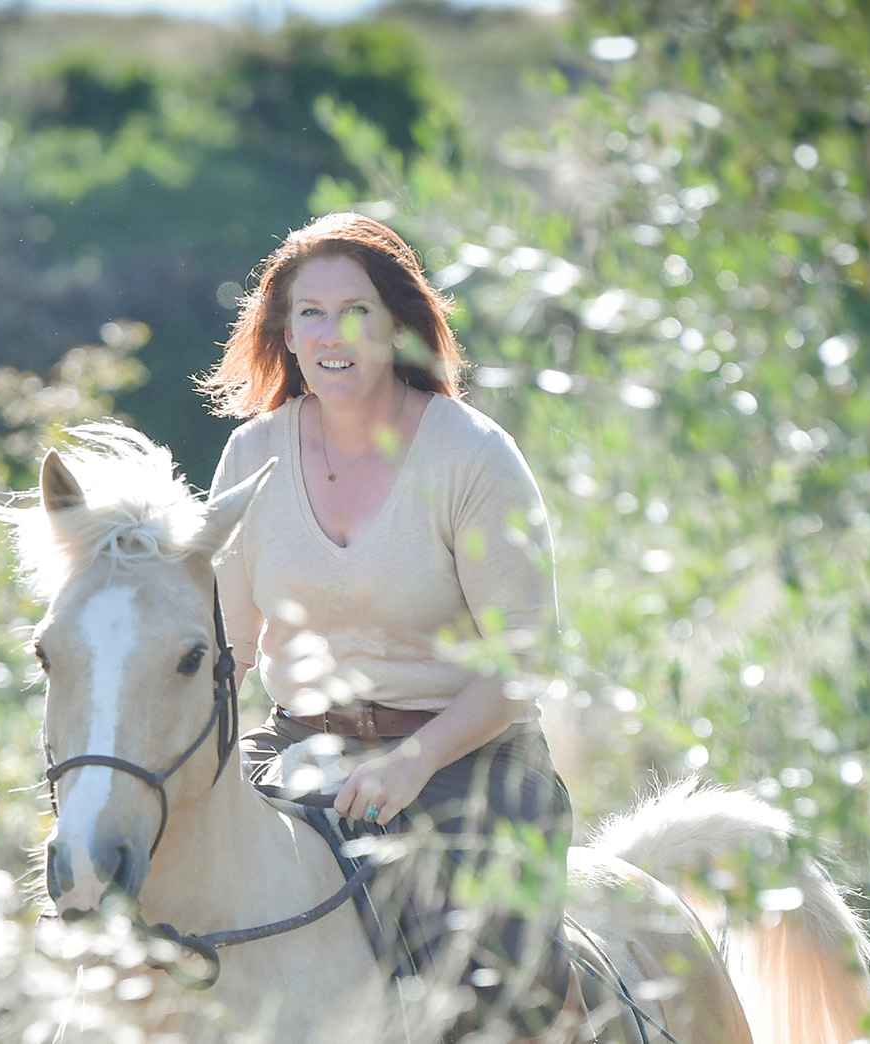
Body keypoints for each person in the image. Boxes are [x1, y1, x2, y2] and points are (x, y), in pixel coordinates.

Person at [200, 212, 574, 1040]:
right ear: (286, 333)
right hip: (298, 749)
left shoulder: (472, 456)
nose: (332, 334)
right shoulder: (250, 457)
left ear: (397, 325)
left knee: (500, 1004)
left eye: (356, 311)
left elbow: (521, 664)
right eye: (311, 313)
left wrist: (415, 759)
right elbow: (225, 648)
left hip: (466, 763)